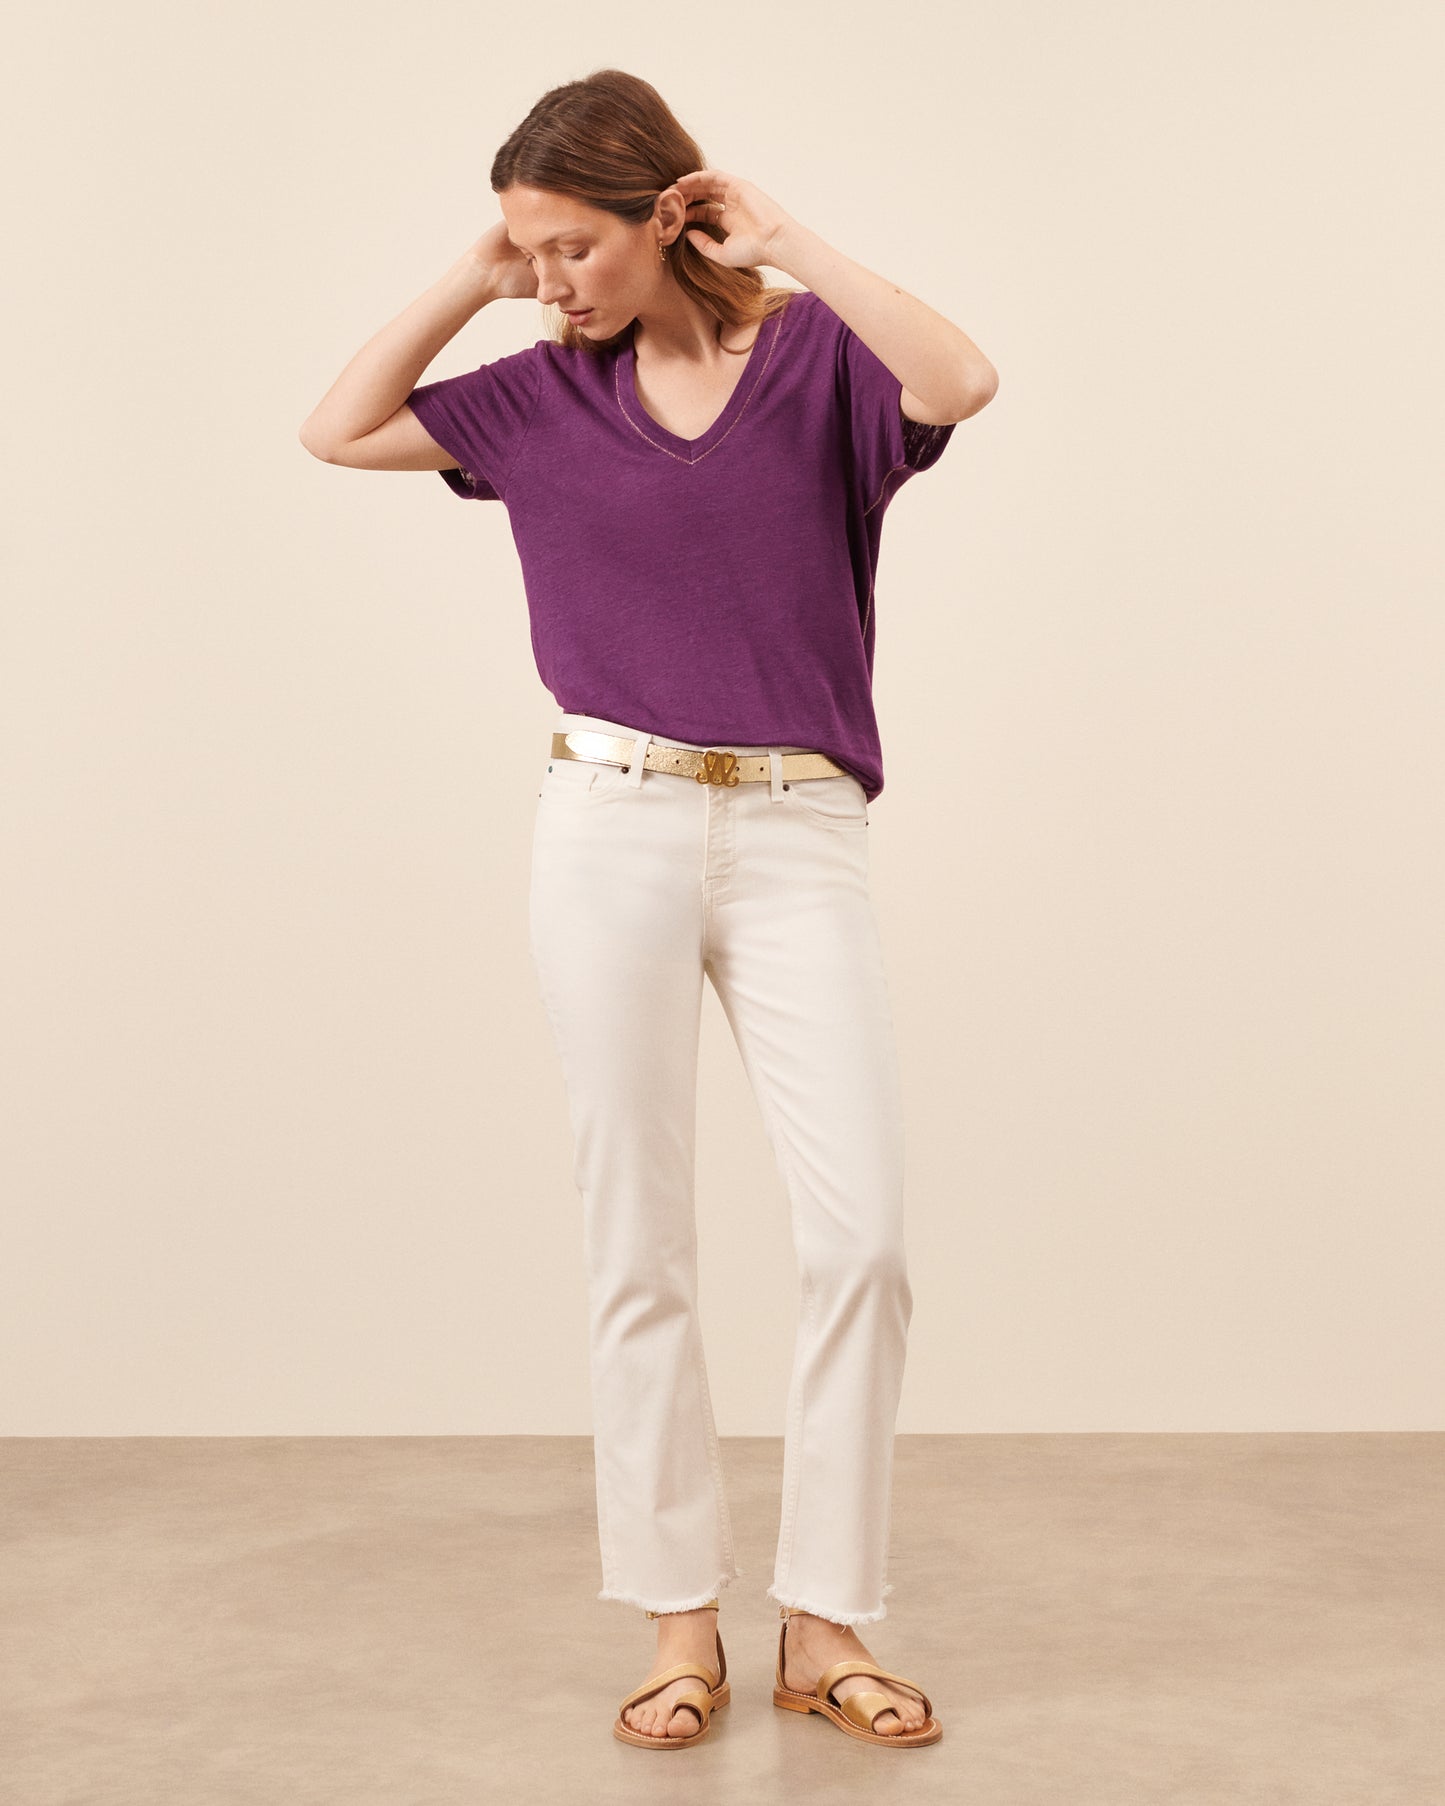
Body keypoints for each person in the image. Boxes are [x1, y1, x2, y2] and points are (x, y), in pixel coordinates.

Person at [300, 67, 997, 1752]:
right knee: (639, 1238)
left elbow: (962, 378)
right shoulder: (538, 396)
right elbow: (336, 427)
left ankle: (823, 1619)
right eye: (526, 250)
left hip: (796, 827)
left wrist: (788, 241)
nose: (551, 279)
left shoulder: (820, 368)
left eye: (573, 246)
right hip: (604, 824)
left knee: (859, 1237)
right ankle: (679, 1619)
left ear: (664, 213)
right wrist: (473, 276)